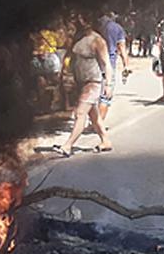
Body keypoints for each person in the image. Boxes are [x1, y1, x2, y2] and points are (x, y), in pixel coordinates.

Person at [54, 16, 113, 156]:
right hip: (79, 82)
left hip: (93, 82)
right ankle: (105, 140)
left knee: (80, 113)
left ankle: (67, 146)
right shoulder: (77, 38)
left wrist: (108, 84)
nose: (80, 22)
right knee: (93, 115)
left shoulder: (97, 41)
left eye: (83, 19)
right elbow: (69, 58)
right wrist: (64, 74)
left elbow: (106, 64)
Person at [98, 10, 129, 121]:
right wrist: (126, 66)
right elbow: (122, 48)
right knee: (106, 95)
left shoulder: (95, 26)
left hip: (93, 63)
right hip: (109, 64)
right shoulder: (117, 28)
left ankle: (92, 122)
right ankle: (99, 123)